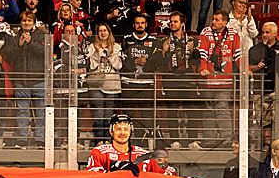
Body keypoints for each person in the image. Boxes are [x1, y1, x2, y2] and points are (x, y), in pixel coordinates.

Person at [1, 11, 48, 149]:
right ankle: (21, 140)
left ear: (34, 22)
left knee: (40, 111)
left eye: (29, 20)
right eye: (24, 21)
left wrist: (31, 42)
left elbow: (44, 52)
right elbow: (9, 55)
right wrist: (20, 45)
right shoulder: (15, 36)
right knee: (22, 111)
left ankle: (40, 141)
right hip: (21, 80)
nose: (26, 23)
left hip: (39, 79)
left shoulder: (42, 34)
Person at [197, 10, 241, 149]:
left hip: (225, 81)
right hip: (208, 80)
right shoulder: (205, 32)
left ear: (225, 22)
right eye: (213, 19)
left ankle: (226, 140)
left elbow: (238, 54)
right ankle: (209, 140)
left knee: (222, 110)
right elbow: (202, 53)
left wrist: (246, 70)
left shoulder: (233, 34)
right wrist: (203, 68)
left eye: (217, 20)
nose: (213, 22)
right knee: (209, 111)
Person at [119, 13, 162, 142]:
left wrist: (146, 64)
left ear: (146, 24)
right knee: (129, 114)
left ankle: (145, 140)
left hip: (147, 82)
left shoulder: (154, 41)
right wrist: (135, 62)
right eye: (137, 23)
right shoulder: (126, 40)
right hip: (129, 82)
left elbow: (158, 61)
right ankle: (130, 140)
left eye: (142, 23)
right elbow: (123, 60)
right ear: (133, 25)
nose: (140, 25)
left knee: (147, 114)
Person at [159, 11, 200, 148]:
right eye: (171, 21)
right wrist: (163, 52)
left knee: (192, 112)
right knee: (172, 112)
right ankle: (174, 141)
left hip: (189, 80)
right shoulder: (164, 41)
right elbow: (157, 63)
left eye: (175, 21)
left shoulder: (192, 40)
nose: (172, 24)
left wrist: (194, 51)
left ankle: (192, 141)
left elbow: (198, 60)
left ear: (182, 24)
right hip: (171, 80)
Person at [249, 21, 279, 143]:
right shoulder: (254, 49)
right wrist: (256, 67)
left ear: (275, 33)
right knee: (264, 122)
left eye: (267, 32)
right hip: (261, 89)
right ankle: (266, 146)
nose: (264, 35)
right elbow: (248, 67)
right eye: (263, 32)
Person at [85, 112, 172, 175]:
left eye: (126, 129)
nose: (122, 133)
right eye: (118, 129)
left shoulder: (143, 155)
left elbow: (163, 177)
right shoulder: (99, 153)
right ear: (111, 132)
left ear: (130, 131)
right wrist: (113, 172)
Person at [84, 23, 123, 146]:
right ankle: (99, 139)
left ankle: (109, 139)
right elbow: (91, 66)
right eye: (100, 30)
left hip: (112, 85)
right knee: (99, 112)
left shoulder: (116, 46)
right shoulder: (91, 46)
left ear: (109, 32)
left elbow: (118, 66)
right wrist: (96, 52)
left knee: (109, 113)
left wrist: (111, 54)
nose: (102, 33)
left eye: (105, 30)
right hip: (97, 85)